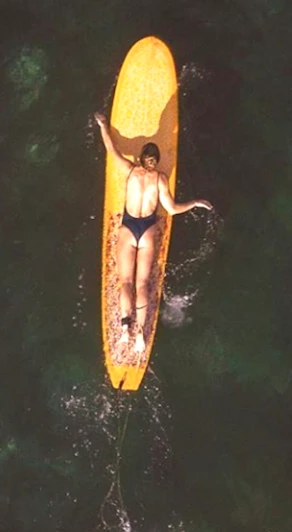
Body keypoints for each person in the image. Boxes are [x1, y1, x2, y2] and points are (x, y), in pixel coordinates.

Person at [92, 111, 212, 355]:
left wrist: (103, 125)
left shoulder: (129, 170)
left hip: (128, 227)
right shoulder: (160, 179)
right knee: (142, 283)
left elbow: (111, 150)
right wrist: (196, 202)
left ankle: (125, 329)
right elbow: (172, 209)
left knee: (125, 281)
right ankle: (139, 337)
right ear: (155, 162)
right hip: (147, 230)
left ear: (140, 158)